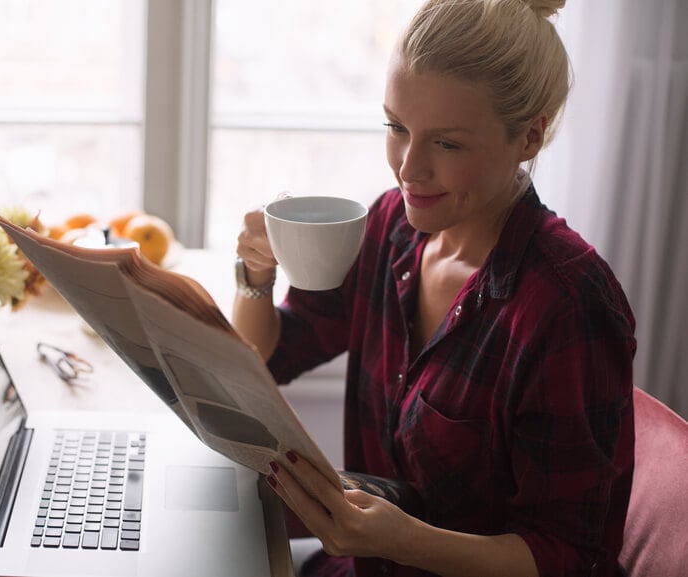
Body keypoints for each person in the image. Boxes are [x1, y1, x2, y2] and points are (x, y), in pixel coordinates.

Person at [232, 0, 636, 576]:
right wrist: (256, 276)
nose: (408, 169)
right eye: (397, 127)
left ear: (530, 136)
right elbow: (271, 355)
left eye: (447, 144)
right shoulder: (390, 226)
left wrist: (407, 541)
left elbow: (573, 557)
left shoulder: (568, 306)